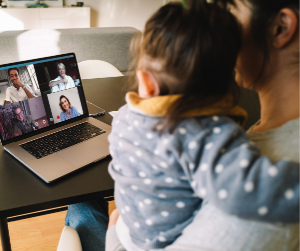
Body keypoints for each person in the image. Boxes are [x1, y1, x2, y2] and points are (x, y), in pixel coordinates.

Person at [65, 0, 299, 250]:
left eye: (231, 10)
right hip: (138, 232)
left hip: (132, 234)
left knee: (80, 206)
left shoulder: (125, 116)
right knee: (84, 206)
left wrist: (114, 234)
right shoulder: (209, 135)